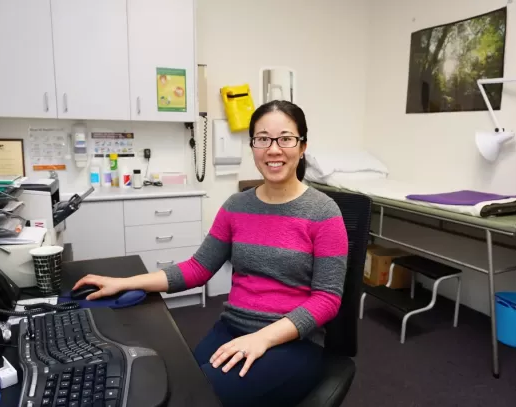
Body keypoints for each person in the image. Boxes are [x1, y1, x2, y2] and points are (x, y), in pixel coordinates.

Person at [72, 100, 349, 407]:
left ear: (302, 146)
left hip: (292, 343)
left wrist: (263, 338)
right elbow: (198, 268)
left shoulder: (324, 213)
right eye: (262, 139)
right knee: (172, 386)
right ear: (252, 146)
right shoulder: (236, 206)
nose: (273, 149)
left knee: (193, 397)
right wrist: (125, 282)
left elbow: (327, 299)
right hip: (232, 328)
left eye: (285, 139)